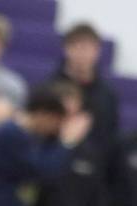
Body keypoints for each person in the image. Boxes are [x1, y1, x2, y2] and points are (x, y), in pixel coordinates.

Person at [49, 22, 119, 152]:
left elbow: (110, 138)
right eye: (77, 47)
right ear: (66, 49)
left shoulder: (108, 95)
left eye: (86, 48)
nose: (81, 54)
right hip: (54, 160)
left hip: (94, 164)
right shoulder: (49, 88)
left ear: (97, 51)